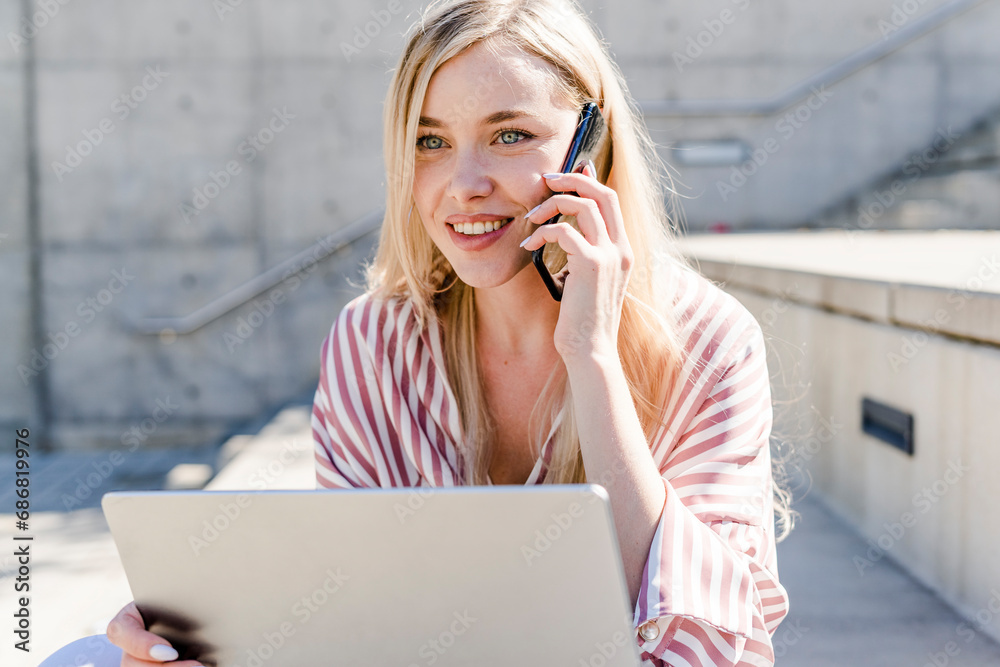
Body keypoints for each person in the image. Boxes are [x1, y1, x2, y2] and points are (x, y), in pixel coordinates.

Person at [103, 0, 791, 665]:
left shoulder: (710, 342)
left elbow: (706, 646)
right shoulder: (374, 345)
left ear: (590, 148)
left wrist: (593, 360)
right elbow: (357, 623)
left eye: (509, 135)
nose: (463, 184)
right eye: (430, 141)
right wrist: (208, 640)